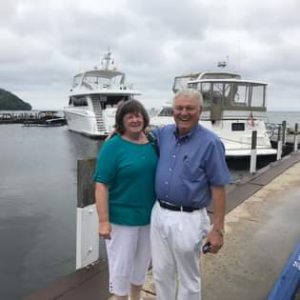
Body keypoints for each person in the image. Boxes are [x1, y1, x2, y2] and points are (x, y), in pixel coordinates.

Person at [150, 89, 231, 300]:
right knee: (161, 273)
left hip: (188, 218)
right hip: (159, 213)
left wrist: (218, 230)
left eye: (189, 108)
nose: (183, 113)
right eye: (179, 108)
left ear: (200, 111)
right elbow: (139, 131)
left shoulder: (211, 143)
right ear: (173, 110)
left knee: (188, 279)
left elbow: (219, 188)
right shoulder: (164, 133)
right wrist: (118, 130)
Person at [94, 100, 158, 300]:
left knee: (141, 265)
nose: (135, 119)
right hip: (121, 219)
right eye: (129, 116)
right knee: (121, 267)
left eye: (138, 115)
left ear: (144, 118)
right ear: (121, 120)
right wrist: (103, 221)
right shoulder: (113, 146)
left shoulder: (153, 142)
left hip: (149, 217)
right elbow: (101, 185)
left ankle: (136, 298)